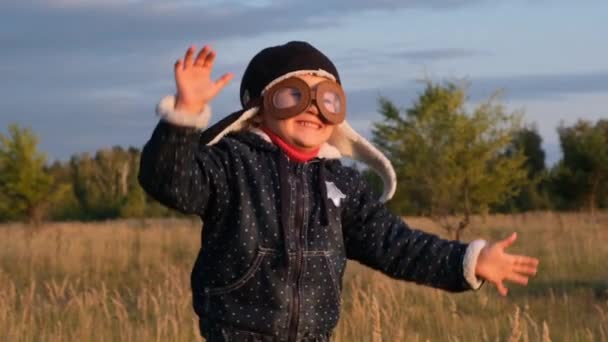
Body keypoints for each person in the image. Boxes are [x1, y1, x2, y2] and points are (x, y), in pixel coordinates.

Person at [138, 41, 539, 342]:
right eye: (294, 94)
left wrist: (467, 261)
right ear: (259, 107)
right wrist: (184, 116)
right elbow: (170, 182)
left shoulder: (342, 184)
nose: (312, 107)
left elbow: (395, 245)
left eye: (327, 98)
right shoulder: (232, 164)